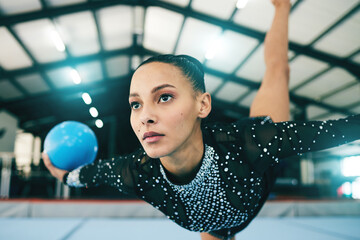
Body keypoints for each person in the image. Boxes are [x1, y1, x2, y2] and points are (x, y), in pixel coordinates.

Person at [43, 0, 360, 239]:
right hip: (216, 227)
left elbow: (338, 130)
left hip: (260, 165)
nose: (146, 117)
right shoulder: (138, 172)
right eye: (135, 104)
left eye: (164, 97)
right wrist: (61, 174)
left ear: (202, 104)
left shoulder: (252, 144)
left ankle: (281, 5)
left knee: (278, 72)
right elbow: (88, 175)